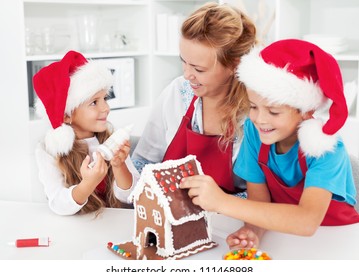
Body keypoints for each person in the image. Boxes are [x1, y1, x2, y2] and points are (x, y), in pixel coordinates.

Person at [180, 39, 359, 249]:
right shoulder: (254, 133)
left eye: (273, 111)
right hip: (284, 238)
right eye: (254, 106)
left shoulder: (327, 149)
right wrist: (253, 230)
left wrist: (221, 202)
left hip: (337, 241)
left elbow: (307, 221)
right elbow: (260, 203)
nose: (259, 119)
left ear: (306, 111)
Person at [132, 2, 257, 194]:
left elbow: (263, 196)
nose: (187, 74)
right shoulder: (177, 93)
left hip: (230, 219)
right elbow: (144, 162)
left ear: (234, 65)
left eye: (199, 69)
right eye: (183, 61)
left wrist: (217, 205)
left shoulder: (255, 109)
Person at [33, 50, 139, 216]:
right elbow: (58, 203)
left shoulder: (110, 139)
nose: (106, 108)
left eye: (105, 98)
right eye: (94, 102)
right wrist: (88, 184)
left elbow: (132, 196)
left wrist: (120, 166)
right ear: (67, 115)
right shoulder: (49, 151)